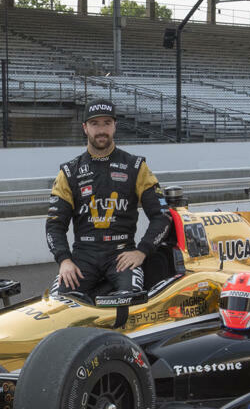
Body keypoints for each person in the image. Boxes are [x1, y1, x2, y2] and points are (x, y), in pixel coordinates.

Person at [46, 100, 171, 297]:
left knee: (130, 299)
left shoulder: (136, 166)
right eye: (95, 124)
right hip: (82, 258)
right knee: (58, 303)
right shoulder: (69, 172)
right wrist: (64, 261)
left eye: (107, 123)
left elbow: (162, 215)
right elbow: (54, 224)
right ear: (85, 128)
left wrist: (142, 252)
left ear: (115, 126)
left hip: (121, 255)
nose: (101, 129)